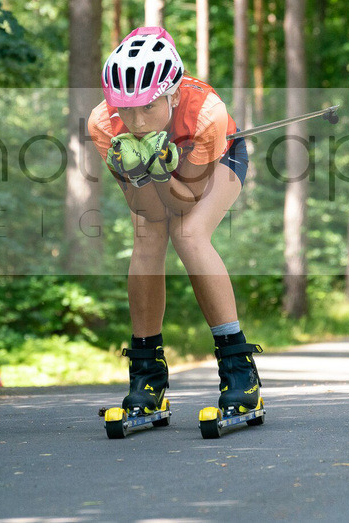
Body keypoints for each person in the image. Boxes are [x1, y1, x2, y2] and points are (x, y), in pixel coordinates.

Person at [87, 26, 262, 420]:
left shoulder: (206, 114)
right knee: (148, 236)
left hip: (218, 157)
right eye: (125, 108)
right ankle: (146, 374)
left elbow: (184, 205)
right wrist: (137, 174)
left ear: (172, 93)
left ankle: (238, 368)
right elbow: (150, 211)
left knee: (189, 233)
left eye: (148, 107)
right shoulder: (103, 124)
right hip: (159, 179)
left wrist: (164, 173)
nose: (135, 119)